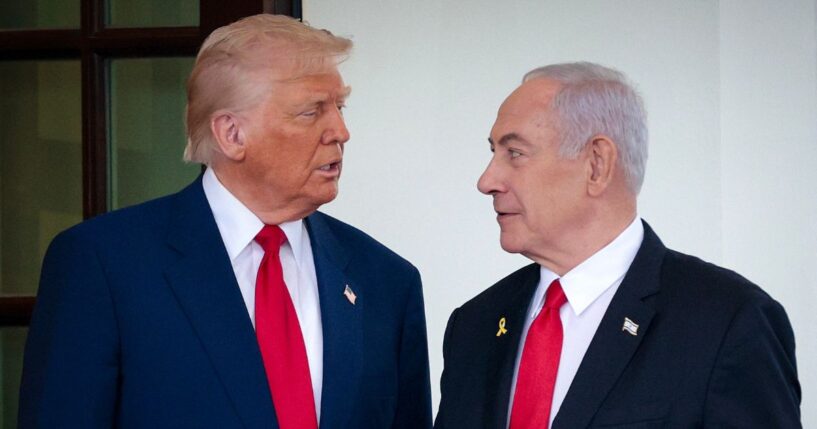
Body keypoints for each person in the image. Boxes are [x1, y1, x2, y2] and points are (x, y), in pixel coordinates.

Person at [19, 14, 432, 429]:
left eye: (339, 107)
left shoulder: (385, 281)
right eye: (311, 112)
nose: (341, 131)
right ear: (231, 134)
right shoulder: (104, 264)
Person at [434, 62, 800, 428]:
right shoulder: (474, 326)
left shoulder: (728, 322)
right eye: (493, 153)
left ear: (597, 164)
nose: (487, 180)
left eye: (514, 153)